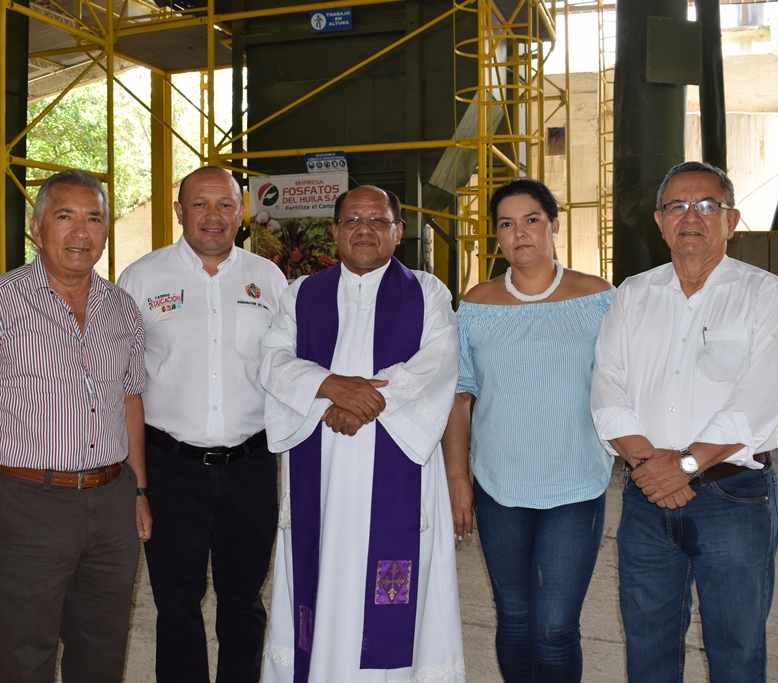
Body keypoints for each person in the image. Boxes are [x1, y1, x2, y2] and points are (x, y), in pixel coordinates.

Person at [0, 169, 151, 683]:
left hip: (111, 501)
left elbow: (129, 398)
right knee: (26, 652)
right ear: (36, 228)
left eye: (94, 218)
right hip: (26, 505)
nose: (81, 231)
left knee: (102, 648)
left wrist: (139, 489)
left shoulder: (121, 308)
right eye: (65, 216)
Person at [591, 161, 778, 682]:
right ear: (660, 223)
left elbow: (758, 401)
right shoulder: (633, 295)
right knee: (648, 646)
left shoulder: (764, 295)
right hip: (647, 497)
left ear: (730, 221)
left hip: (733, 500)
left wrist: (683, 464)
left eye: (707, 205)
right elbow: (607, 390)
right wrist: (651, 467)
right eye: (677, 206)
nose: (692, 216)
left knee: (736, 648)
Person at [259, 186, 465, 683]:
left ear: (398, 231)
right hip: (321, 465)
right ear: (334, 231)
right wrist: (329, 387)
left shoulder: (427, 291)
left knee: (395, 595)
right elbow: (272, 359)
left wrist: (362, 406)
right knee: (318, 570)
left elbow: (437, 363)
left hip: (396, 460)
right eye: (353, 219)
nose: (365, 229)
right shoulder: (301, 292)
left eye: (379, 219)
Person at [117, 166, 287, 683]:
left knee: (243, 603)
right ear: (179, 212)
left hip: (251, 467)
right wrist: (137, 482)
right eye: (199, 204)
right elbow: (121, 384)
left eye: (224, 205)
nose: (213, 216)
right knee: (176, 604)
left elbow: (291, 369)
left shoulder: (270, 280)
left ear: (242, 213)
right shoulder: (141, 279)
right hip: (171, 468)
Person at [442, 178, 614, 682]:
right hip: (499, 485)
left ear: (554, 225)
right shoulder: (476, 305)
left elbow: (626, 384)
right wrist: (458, 479)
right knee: (515, 618)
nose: (520, 234)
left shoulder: (600, 298)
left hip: (575, 483)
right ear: (496, 235)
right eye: (506, 224)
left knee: (556, 625)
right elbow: (460, 394)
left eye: (532, 220)